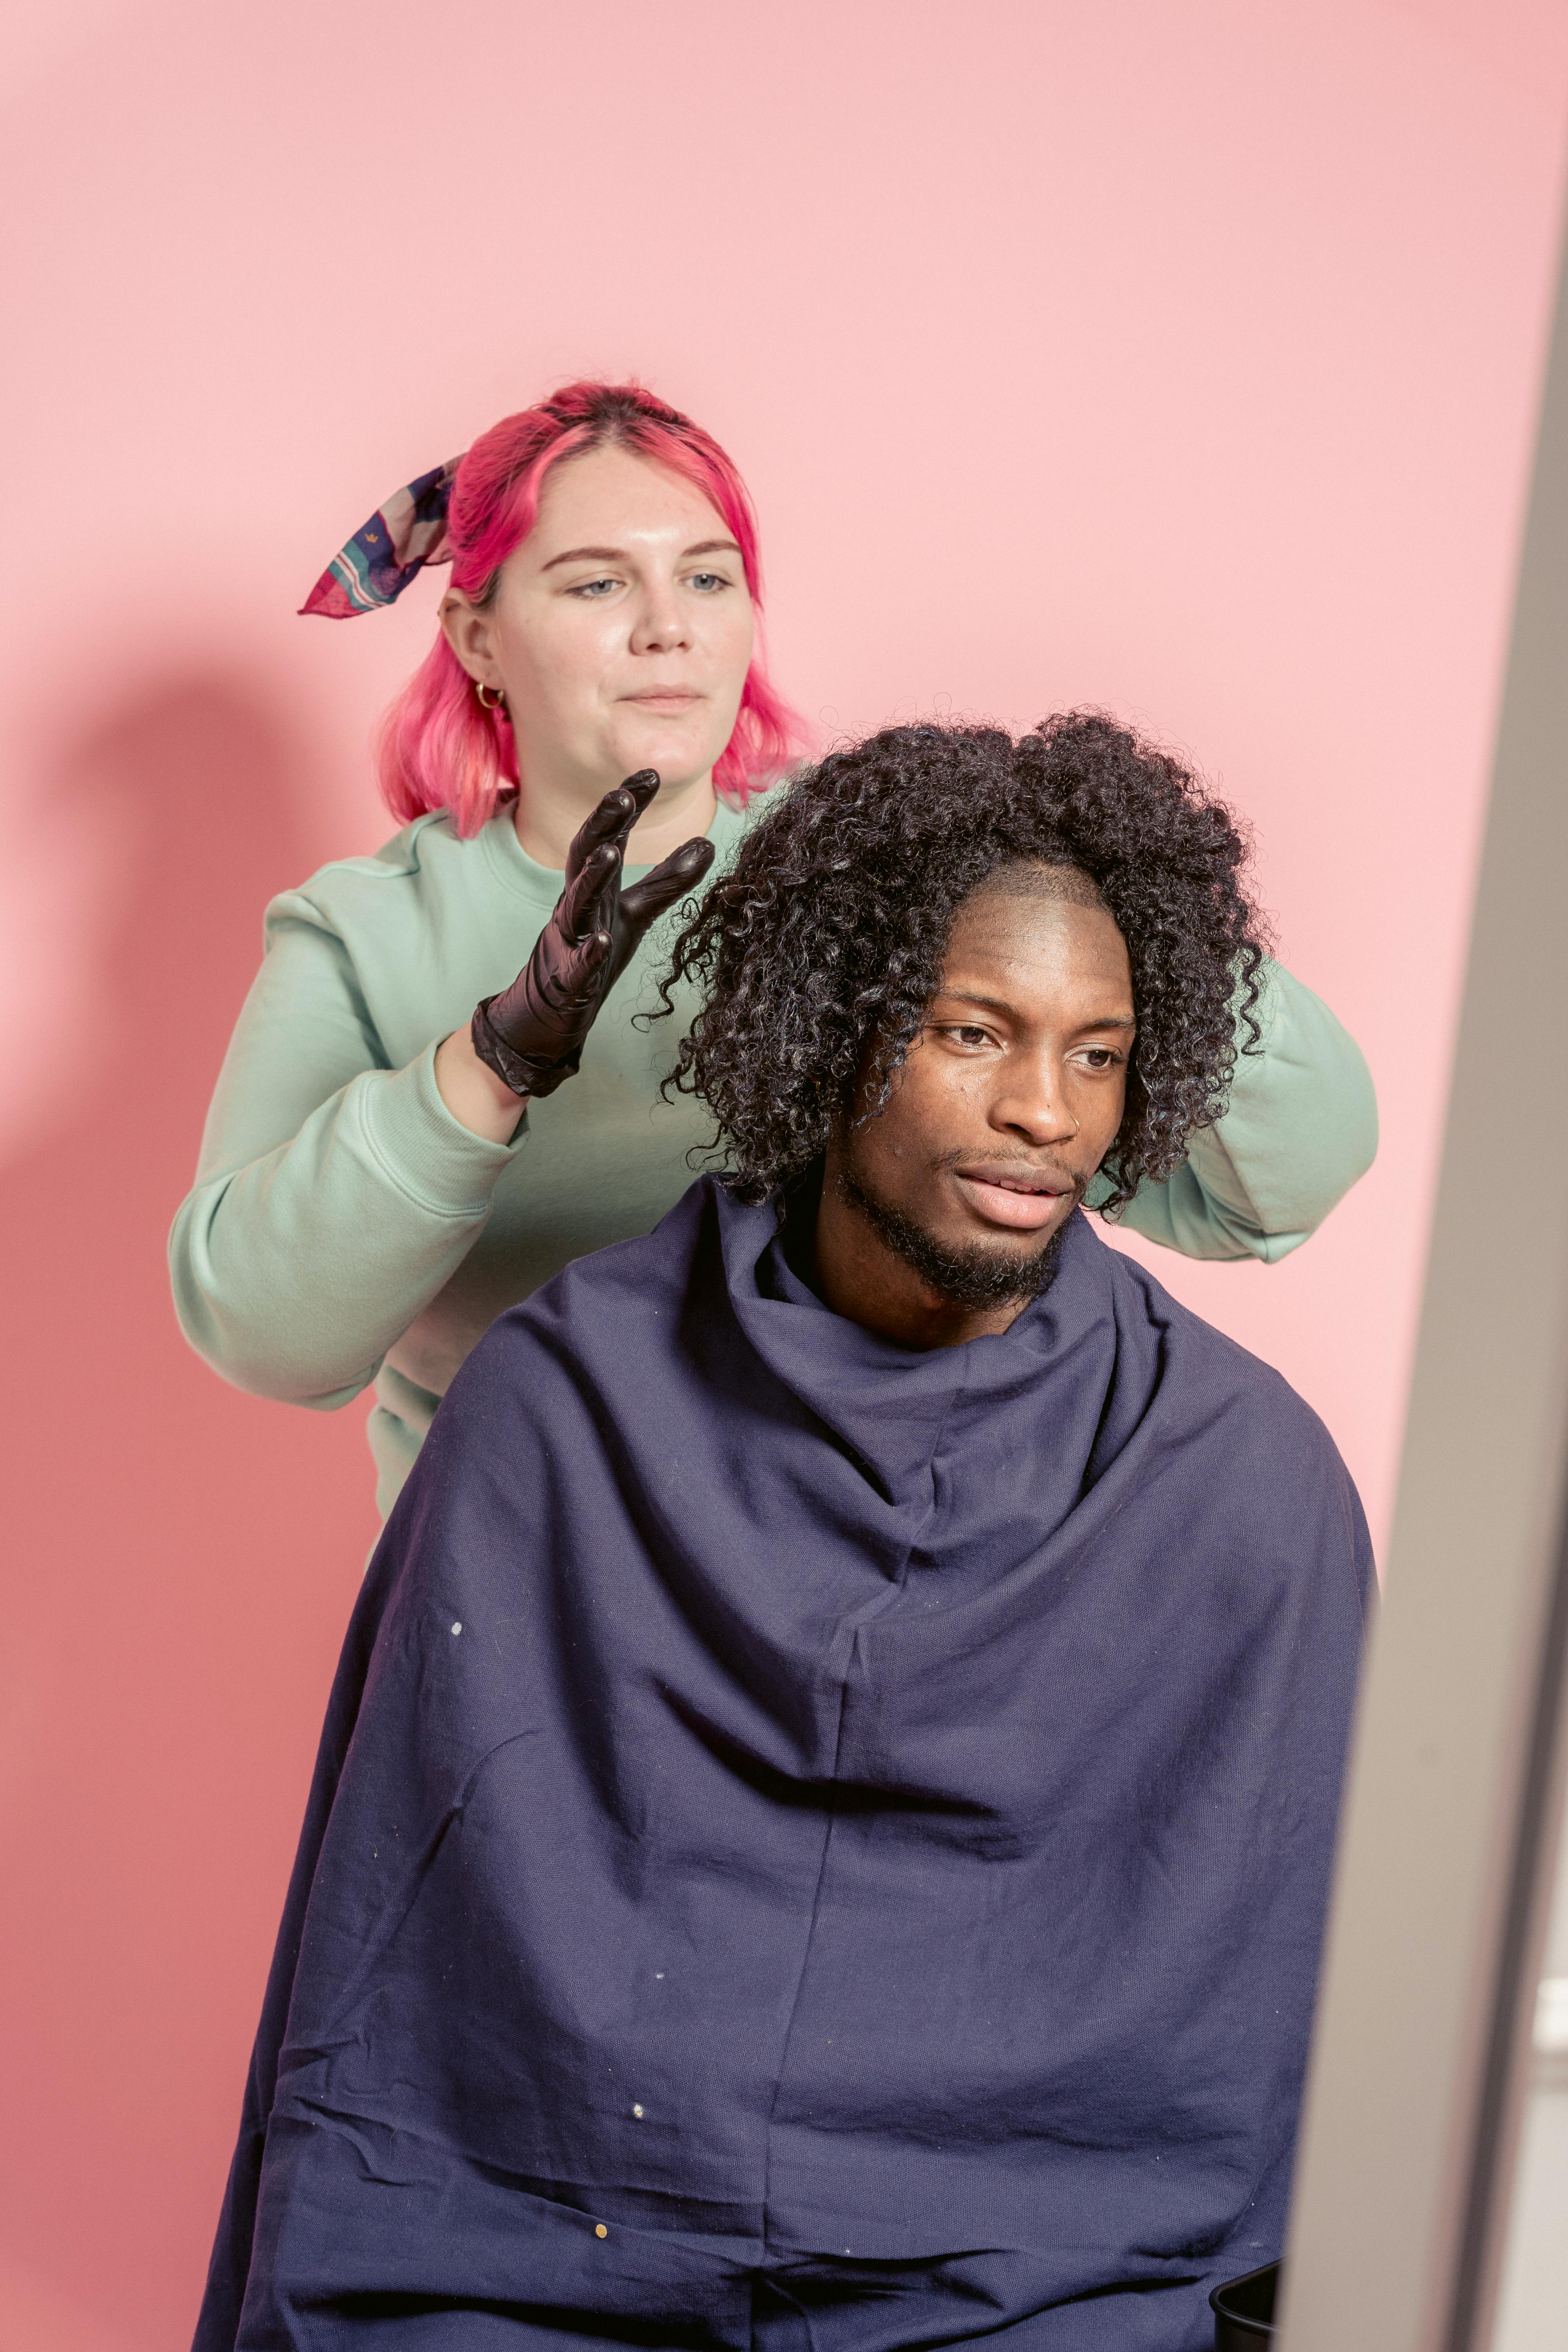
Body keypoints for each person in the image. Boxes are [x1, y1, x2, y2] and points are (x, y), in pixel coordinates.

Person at [196, 718, 1372, 2352]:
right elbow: (401, 2008)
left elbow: (1274, 2083)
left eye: (1095, 1053)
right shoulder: (562, 1403)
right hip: (549, 2261)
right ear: (835, 1027)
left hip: (1031, 2285)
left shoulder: (1238, 1485)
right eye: (977, 1032)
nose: (1043, 1112)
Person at [169, 381, 1377, 1523]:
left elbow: (1277, 1186)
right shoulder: (362, 935)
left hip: (865, 1552)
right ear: (477, 636)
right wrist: (488, 1062)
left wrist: (1109, 874)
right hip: (528, 1578)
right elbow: (270, 1337)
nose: (666, 630)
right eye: (596, 586)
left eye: (707, 577)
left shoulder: (879, 873)